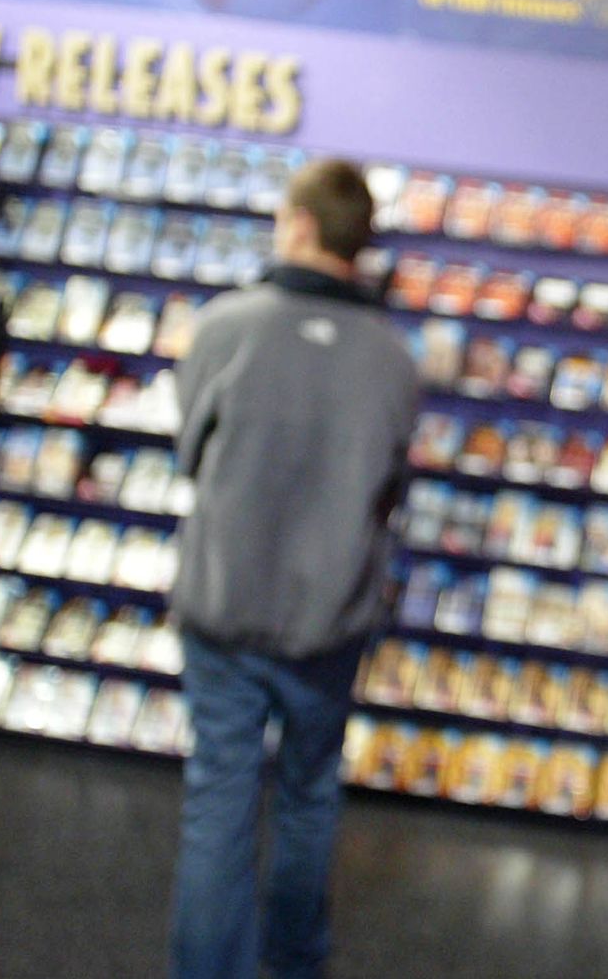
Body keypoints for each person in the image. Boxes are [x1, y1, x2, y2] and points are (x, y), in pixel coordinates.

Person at [168, 158, 419, 979]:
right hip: (330, 615)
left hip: (224, 602)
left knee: (221, 804)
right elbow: (388, 488)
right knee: (311, 797)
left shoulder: (227, 326)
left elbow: (190, 454)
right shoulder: (393, 358)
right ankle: (294, 964)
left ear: (301, 224)